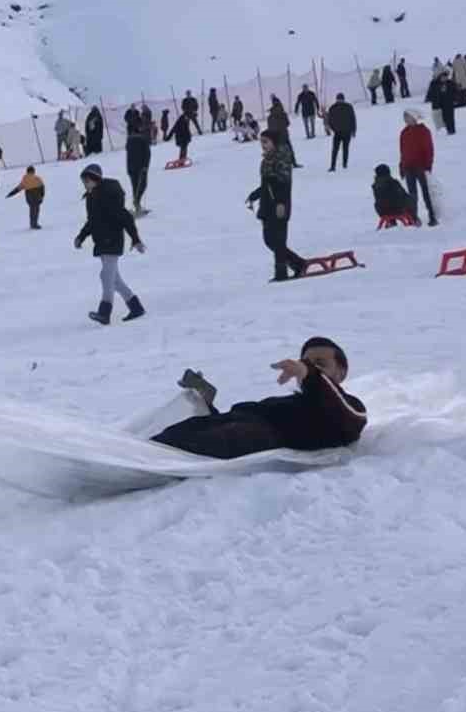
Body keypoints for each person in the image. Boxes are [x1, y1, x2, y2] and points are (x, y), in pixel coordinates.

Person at [150, 338, 366, 460]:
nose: (309, 367)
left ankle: (129, 463)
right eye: (306, 362)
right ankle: (129, 453)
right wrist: (207, 402)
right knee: (164, 439)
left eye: (319, 363)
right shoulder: (292, 401)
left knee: (172, 452)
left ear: (342, 372)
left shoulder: (350, 407)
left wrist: (310, 374)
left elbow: (350, 418)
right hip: (236, 421)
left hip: (259, 435)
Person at [74, 164, 146, 325]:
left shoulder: (108, 194)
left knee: (106, 277)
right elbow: (92, 222)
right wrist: (81, 237)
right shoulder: (91, 197)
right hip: (101, 241)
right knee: (115, 279)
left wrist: (135, 239)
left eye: (87, 180)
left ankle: (104, 313)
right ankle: (136, 307)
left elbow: (125, 217)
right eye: (83, 181)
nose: (85, 183)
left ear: (95, 179)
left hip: (112, 240)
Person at [247, 130, 308, 282]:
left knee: (278, 241)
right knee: (269, 240)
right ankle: (298, 263)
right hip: (267, 205)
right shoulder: (267, 160)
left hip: (279, 205)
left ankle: (282, 273)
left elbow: (283, 184)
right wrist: (255, 195)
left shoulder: (281, 159)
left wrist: (281, 203)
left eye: (266, 142)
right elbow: (267, 184)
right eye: (261, 142)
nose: (263, 145)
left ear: (274, 142)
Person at [399, 109, 438, 227]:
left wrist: (428, 166)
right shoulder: (404, 133)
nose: (405, 119)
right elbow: (403, 151)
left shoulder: (424, 131)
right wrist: (402, 166)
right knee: (412, 195)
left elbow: (429, 150)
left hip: (421, 167)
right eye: (404, 117)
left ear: (414, 118)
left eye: (407, 117)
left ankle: (432, 216)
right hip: (408, 167)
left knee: (427, 193)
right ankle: (414, 218)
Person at [125, 120, 152, 217]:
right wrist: (145, 166)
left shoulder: (129, 140)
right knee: (142, 185)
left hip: (131, 167)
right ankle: (137, 202)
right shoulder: (143, 139)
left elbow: (128, 153)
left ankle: (137, 204)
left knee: (135, 186)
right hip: (141, 167)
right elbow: (147, 154)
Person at [325, 93, 357, 172]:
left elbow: (352, 118)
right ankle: (339, 165)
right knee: (341, 149)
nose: (340, 100)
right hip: (343, 131)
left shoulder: (334, 107)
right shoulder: (347, 107)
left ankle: (338, 165)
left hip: (341, 131)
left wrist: (333, 128)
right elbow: (353, 119)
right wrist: (353, 130)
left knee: (339, 149)